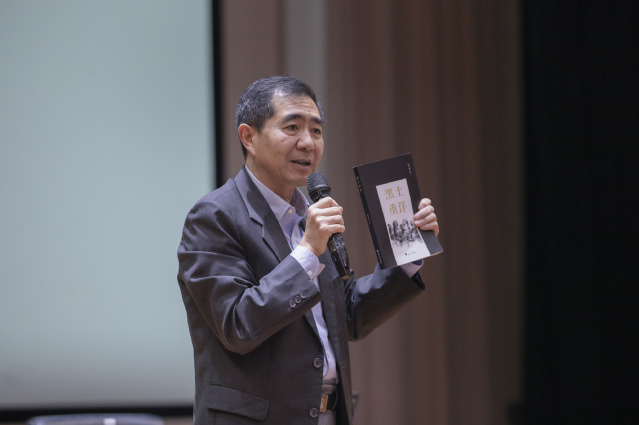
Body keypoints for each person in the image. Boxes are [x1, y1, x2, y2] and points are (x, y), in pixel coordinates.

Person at [177, 76, 439, 425]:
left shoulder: (308, 217)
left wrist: (407, 254)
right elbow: (237, 325)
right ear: (249, 137)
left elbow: (347, 316)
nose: (308, 142)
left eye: (316, 130)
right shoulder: (215, 216)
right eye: (292, 127)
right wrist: (307, 251)